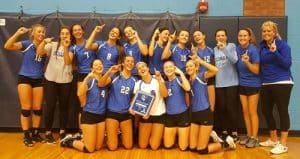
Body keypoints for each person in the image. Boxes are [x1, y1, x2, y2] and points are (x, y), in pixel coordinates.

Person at [4, 24, 46, 146]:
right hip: (25, 78)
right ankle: (26, 135)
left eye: (43, 32)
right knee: (26, 108)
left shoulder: (46, 46)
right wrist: (18, 33)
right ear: (33, 33)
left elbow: (42, 56)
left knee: (38, 109)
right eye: (39, 32)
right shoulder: (27, 44)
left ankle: (36, 133)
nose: (41, 34)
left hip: (38, 79)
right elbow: (7, 46)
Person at [187, 55, 236, 154]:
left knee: (201, 150)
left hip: (205, 113)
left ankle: (226, 143)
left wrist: (200, 61)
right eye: (187, 66)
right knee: (192, 148)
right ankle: (211, 137)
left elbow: (215, 70)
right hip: (194, 115)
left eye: (191, 66)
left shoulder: (202, 76)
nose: (188, 68)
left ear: (197, 68)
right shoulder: (188, 81)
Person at [258, 21, 293, 155]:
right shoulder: (262, 46)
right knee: (266, 110)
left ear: (274, 32)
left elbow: (287, 64)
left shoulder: (283, 46)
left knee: (282, 111)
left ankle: (283, 144)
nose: (266, 33)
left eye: (269, 31)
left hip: (282, 82)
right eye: (264, 31)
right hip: (266, 83)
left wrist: (276, 52)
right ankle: (273, 139)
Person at [61, 59, 107, 153]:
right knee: (89, 149)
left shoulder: (105, 81)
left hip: (101, 116)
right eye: (96, 65)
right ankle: (68, 141)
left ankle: (82, 139)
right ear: (91, 68)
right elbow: (79, 93)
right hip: (89, 115)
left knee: (98, 147)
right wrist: (86, 78)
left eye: (100, 64)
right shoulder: (90, 81)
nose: (99, 66)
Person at [36, 26, 73, 143]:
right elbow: (40, 52)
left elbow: (68, 62)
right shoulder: (52, 45)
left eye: (67, 33)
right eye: (62, 33)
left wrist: (66, 48)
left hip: (65, 80)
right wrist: (43, 42)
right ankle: (48, 132)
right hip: (50, 79)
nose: (64, 35)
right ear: (59, 35)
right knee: (50, 106)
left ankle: (62, 131)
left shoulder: (73, 47)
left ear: (70, 36)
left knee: (64, 107)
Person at [64, 24, 97, 139]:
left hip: (94, 75)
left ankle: (95, 128)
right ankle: (81, 131)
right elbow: (68, 62)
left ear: (83, 31)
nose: (77, 32)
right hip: (82, 76)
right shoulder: (73, 47)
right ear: (72, 33)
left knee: (96, 102)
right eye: (74, 30)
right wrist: (65, 47)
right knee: (83, 105)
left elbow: (92, 47)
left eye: (79, 30)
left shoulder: (91, 42)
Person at [192, 31, 223, 143]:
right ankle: (203, 132)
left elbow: (215, 66)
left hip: (209, 79)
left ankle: (210, 132)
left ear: (204, 36)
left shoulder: (211, 50)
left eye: (199, 35)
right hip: (198, 81)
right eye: (194, 36)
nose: (197, 37)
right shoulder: (193, 51)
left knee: (211, 107)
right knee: (198, 105)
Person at [99, 55, 136, 151]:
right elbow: (100, 84)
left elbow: (135, 97)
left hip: (125, 114)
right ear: (123, 63)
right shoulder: (115, 76)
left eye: (132, 62)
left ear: (134, 65)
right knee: (112, 147)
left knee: (128, 146)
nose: (130, 63)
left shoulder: (135, 80)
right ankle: (113, 135)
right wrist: (109, 72)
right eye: (127, 61)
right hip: (112, 113)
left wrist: (132, 107)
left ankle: (119, 134)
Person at [131, 62, 168, 150]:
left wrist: (159, 80)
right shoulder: (138, 84)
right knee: (143, 146)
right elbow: (136, 101)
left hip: (159, 114)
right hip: (145, 116)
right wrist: (133, 109)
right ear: (138, 72)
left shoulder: (157, 78)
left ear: (148, 68)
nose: (141, 69)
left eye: (143, 66)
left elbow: (165, 94)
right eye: (139, 68)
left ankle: (156, 136)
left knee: (154, 146)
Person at [236, 28, 261, 148]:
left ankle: (254, 138)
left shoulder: (253, 50)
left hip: (253, 85)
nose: (242, 38)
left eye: (245, 35)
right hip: (242, 84)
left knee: (252, 112)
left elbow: (256, 70)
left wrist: (247, 62)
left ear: (249, 37)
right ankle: (249, 134)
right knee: (245, 112)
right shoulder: (238, 48)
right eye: (240, 36)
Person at [213, 28, 239, 142]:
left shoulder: (231, 46)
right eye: (218, 36)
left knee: (231, 108)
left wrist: (224, 49)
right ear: (215, 38)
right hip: (219, 84)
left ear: (226, 37)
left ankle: (234, 131)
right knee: (222, 108)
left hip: (232, 83)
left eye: (222, 35)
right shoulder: (214, 49)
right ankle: (224, 131)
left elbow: (234, 60)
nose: (220, 37)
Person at [163, 61, 190, 151]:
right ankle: (177, 133)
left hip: (182, 114)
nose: (168, 69)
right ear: (164, 70)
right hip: (170, 116)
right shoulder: (164, 83)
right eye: (166, 67)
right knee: (168, 146)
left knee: (183, 147)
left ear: (175, 68)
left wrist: (181, 73)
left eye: (170, 66)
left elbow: (188, 88)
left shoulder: (179, 79)